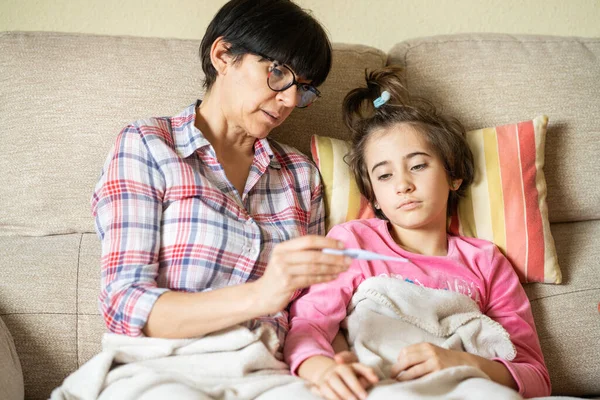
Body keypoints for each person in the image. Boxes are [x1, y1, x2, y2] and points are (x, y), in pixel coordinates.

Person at [91, 0, 350, 355]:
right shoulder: (149, 146)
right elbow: (125, 306)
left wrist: (340, 362)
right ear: (223, 55)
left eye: (303, 88)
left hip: (269, 372)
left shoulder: (301, 175)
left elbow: (315, 311)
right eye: (278, 73)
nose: (289, 99)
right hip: (167, 366)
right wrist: (260, 295)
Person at [284, 67, 551, 400]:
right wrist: (323, 370)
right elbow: (307, 326)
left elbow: (535, 375)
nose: (403, 185)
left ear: (453, 175)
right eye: (384, 176)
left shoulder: (486, 261)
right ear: (374, 198)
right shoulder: (352, 243)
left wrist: (460, 361)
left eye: (419, 165)